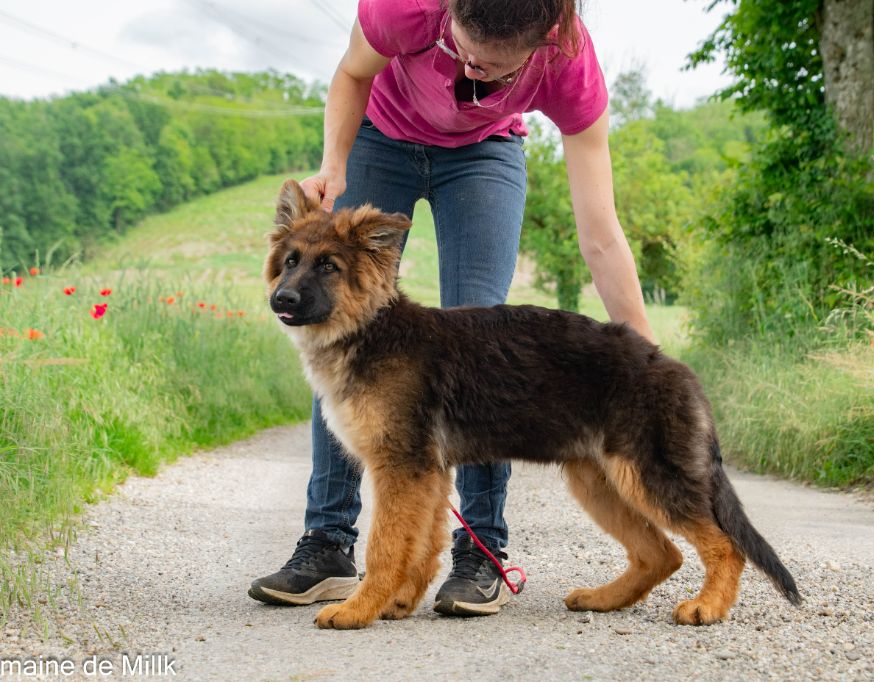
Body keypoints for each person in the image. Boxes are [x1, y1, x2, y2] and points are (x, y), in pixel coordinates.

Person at [249, 0, 654, 617]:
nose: (468, 66)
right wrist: (334, 163)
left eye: (490, 66)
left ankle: (480, 553)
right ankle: (328, 543)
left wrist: (645, 358)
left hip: (485, 154)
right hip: (381, 134)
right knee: (342, 339)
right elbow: (353, 73)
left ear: (540, 45)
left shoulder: (570, 65)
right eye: (459, 46)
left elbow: (600, 235)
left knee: (482, 343)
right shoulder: (405, 7)